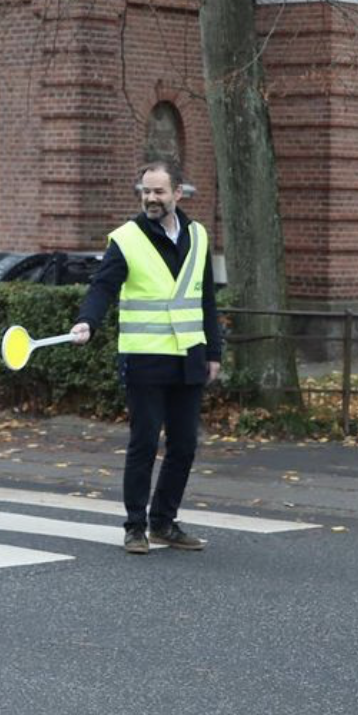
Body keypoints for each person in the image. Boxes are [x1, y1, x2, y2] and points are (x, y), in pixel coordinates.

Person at [70, 158, 223, 555]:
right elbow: (102, 287)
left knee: (185, 446)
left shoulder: (198, 236)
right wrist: (88, 321)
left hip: (189, 357)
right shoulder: (126, 237)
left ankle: (164, 523)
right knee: (143, 443)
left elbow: (206, 298)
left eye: (158, 191)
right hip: (144, 359)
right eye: (145, 191)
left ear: (177, 192)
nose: (151, 198)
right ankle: (135, 526)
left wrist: (214, 352)